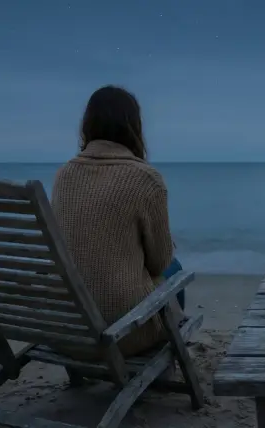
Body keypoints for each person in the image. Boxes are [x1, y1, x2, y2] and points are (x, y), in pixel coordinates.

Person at [50, 85, 184, 357]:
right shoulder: (145, 179)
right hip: (122, 332)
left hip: (70, 327)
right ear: (134, 127)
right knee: (175, 269)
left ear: (87, 125)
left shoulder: (64, 176)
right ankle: (164, 359)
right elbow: (159, 262)